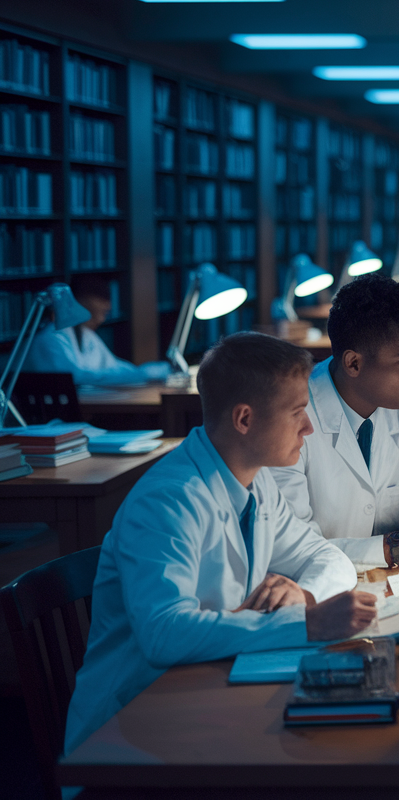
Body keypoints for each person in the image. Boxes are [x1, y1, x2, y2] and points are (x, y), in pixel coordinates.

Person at [65, 333, 375, 753]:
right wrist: (309, 622)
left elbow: (326, 555)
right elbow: (164, 633)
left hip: (208, 690)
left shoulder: (255, 479)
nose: (309, 427)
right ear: (244, 420)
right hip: (131, 725)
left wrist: (305, 594)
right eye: (297, 412)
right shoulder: (169, 500)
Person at [271, 275, 399, 569]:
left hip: (388, 582)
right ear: (354, 363)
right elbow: (289, 547)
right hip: (314, 594)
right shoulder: (289, 419)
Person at [26, 275, 170, 385]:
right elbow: (75, 377)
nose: (101, 320)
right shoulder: (52, 338)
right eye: (92, 313)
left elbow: (113, 365)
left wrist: (146, 372)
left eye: (104, 313)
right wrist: (142, 375)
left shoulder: (86, 334)